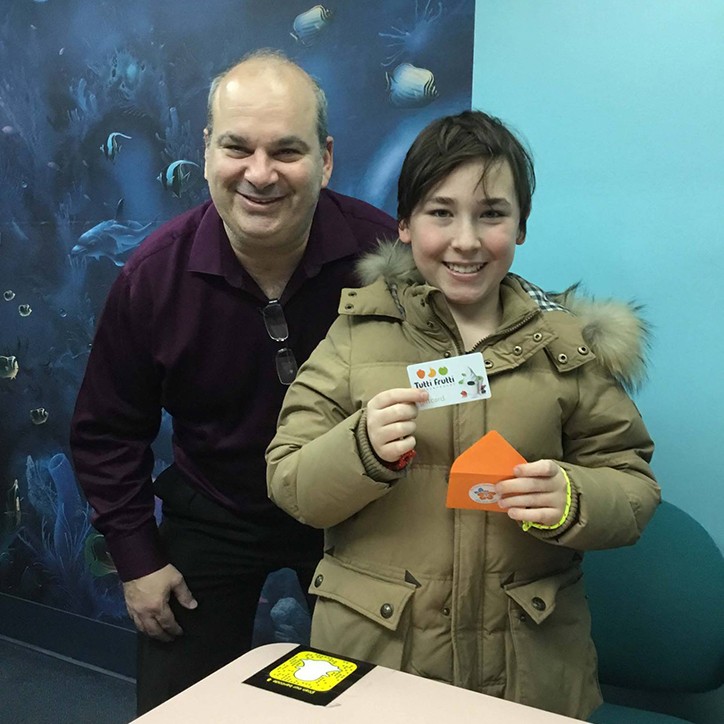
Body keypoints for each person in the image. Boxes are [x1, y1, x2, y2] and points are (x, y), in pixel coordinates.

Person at [266, 109, 660, 720]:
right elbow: (288, 478)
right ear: (403, 224)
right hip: (380, 660)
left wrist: (574, 497)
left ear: (521, 225)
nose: (467, 240)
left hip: (528, 670)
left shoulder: (567, 347)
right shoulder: (355, 335)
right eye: (440, 212)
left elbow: (633, 483)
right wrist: (360, 448)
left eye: (492, 214)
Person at [69, 49, 396, 714]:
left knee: (384, 701)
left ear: (327, 158)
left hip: (352, 507)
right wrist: (136, 558)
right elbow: (106, 431)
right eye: (237, 147)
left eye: (287, 150)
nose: (260, 173)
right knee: (176, 706)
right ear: (207, 149)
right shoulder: (153, 276)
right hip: (214, 507)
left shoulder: (384, 254)